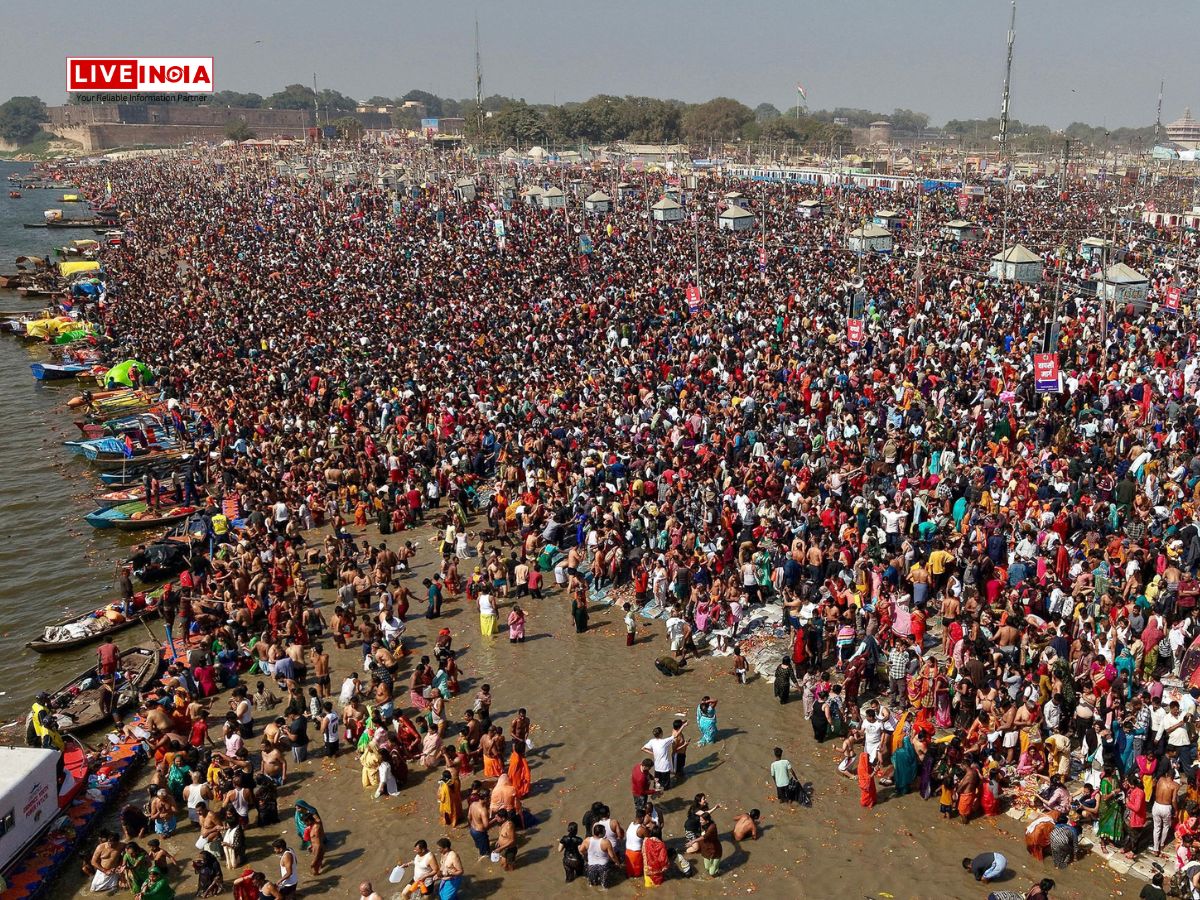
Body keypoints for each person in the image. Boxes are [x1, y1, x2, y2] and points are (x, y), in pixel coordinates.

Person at [582, 822, 618, 888]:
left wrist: (586, 855)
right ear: (601, 833)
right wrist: (617, 862)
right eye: (604, 831)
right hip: (603, 866)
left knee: (592, 885)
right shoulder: (606, 842)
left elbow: (581, 850)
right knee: (604, 886)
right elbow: (612, 856)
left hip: (591, 866)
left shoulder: (587, 840)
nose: (605, 832)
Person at [696, 809, 723, 877]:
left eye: (702, 820)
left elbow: (704, 836)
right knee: (707, 868)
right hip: (706, 849)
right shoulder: (704, 824)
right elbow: (706, 813)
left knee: (712, 873)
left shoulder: (712, 827)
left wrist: (693, 841)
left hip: (715, 850)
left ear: (707, 821)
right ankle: (715, 866)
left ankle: (718, 871)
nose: (700, 821)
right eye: (700, 819)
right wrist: (715, 807)